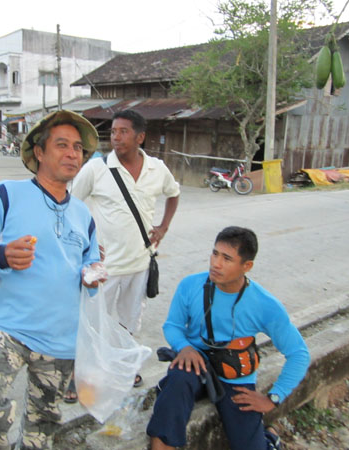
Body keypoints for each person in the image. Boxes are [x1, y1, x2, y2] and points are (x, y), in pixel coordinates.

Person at [0, 110, 104, 450]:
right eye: (62, 145)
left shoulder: (83, 214)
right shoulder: (7, 194)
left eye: (78, 148)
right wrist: (1, 254)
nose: (72, 154)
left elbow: (90, 262)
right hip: (8, 329)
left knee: (41, 432)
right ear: (39, 152)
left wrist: (93, 276)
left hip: (61, 341)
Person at [146, 226, 310, 450]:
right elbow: (173, 325)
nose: (216, 263)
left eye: (226, 258)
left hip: (236, 376)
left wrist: (273, 398)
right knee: (174, 389)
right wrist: (184, 347)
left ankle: (270, 437)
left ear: (247, 266)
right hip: (194, 364)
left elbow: (298, 353)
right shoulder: (191, 285)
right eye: (214, 254)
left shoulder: (265, 305)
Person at [70, 109, 180, 399]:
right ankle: (83, 377)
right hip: (104, 266)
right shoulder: (96, 169)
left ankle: (126, 369)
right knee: (93, 324)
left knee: (130, 322)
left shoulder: (157, 169)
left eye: (123, 131)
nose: (115, 137)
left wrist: (163, 227)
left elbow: (174, 193)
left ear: (140, 136)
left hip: (141, 263)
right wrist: (84, 242)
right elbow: (71, 206)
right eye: (113, 131)